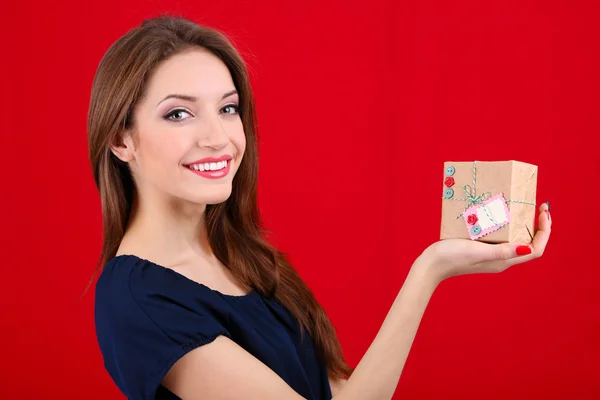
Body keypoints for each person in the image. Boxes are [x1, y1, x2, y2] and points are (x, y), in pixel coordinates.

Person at [89, 14, 552, 400]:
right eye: (179, 113)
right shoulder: (138, 300)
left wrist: (438, 263)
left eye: (228, 108)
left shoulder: (244, 257)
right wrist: (429, 270)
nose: (217, 138)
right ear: (120, 139)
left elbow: (346, 395)